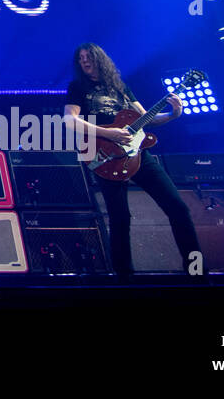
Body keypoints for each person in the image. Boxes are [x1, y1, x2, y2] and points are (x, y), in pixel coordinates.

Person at [64, 43, 201, 277]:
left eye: (88, 57)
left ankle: (196, 271)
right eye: (80, 58)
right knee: (120, 218)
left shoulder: (120, 87)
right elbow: (69, 121)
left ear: (100, 59)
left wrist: (173, 114)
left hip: (138, 154)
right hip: (105, 155)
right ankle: (125, 277)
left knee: (178, 208)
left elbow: (146, 117)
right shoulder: (78, 87)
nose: (84, 61)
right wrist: (109, 133)